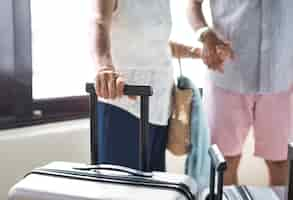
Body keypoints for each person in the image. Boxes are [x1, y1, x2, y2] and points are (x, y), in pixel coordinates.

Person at [188, 0, 293, 185]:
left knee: (281, 160)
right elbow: (192, 4)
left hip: (281, 77)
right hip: (228, 75)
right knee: (224, 161)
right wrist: (204, 34)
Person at [94, 0, 204, 171]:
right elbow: (99, 22)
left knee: (153, 189)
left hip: (160, 108)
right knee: (120, 189)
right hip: (124, 105)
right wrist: (104, 66)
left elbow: (154, 43)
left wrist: (196, 52)